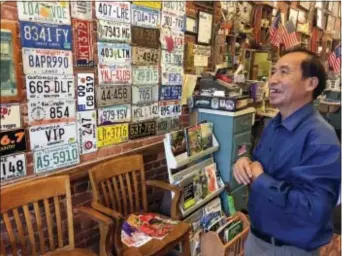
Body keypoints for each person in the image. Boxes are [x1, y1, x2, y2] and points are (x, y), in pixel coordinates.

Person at [233, 48, 341, 255]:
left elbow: (314, 209)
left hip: (288, 249)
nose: (272, 80)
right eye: (273, 72)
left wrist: (261, 179)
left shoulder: (321, 139)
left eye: (284, 72)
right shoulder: (275, 124)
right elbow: (258, 162)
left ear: (310, 83)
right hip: (256, 239)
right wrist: (244, 162)